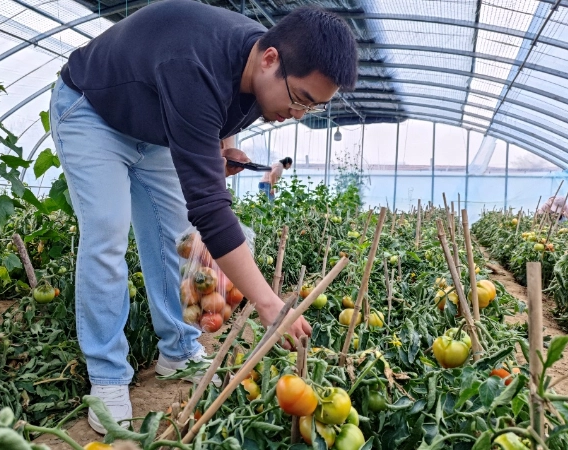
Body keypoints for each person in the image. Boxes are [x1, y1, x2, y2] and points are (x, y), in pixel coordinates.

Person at [49, 0, 358, 434]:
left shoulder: (257, 66)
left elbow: (223, 109)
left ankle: (178, 350)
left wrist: (223, 149)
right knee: (107, 235)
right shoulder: (194, 64)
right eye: (299, 99)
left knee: (176, 239)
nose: (297, 114)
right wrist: (269, 303)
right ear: (270, 59)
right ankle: (108, 377)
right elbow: (209, 208)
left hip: (155, 127)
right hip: (93, 111)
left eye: (313, 108)